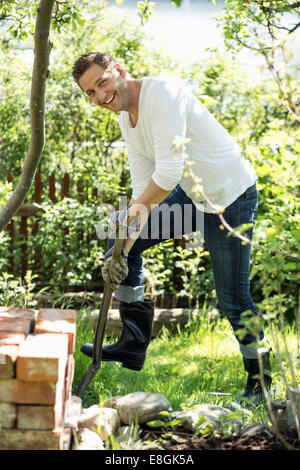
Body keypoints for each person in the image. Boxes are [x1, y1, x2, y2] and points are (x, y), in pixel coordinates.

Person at [72, 52, 272, 405]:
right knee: (122, 243)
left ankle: (261, 385)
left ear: (117, 69)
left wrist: (134, 216)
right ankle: (133, 344)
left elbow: (166, 175)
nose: (100, 97)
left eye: (101, 82)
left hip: (230, 196)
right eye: (90, 93)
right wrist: (126, 239)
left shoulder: (163, 93)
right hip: (193, 195)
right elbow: (142, 186)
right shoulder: (125, 120)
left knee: (233, 300)